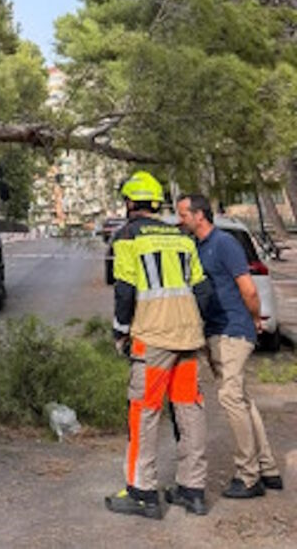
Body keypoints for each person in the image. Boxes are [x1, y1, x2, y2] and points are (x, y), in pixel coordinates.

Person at [105, 171, 213, 519]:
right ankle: (192, 490)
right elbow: (203, 289)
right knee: (189, 409)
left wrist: (120, 331)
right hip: (188, 335)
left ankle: (142, 492)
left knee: (144, 412)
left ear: (130, 203)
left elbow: (124, 289)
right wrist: (197, 326)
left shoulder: (127, 237)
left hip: (152, 338)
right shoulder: (181, 237)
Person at [176, 193, 284, 498]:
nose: (180, 220)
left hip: (233, 330)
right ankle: (268, 468)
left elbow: (248, 289)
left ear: (199, 215)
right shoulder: (197, 247)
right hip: (215, 330)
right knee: (242, 400)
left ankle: (248, 476)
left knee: (230, 398)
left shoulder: (224, 244)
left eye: (183, 214)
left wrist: (254, 320)